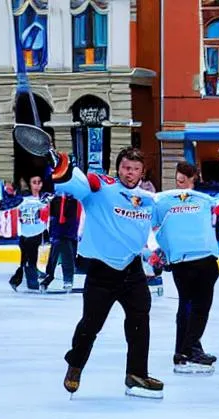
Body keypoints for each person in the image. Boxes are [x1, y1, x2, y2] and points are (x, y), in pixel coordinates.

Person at [51, 146, 164, 399]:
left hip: (132, 270)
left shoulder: (147, 199)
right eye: (125, 167)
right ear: (118, 168)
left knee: (139, 320)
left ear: (142, 172)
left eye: (135, 169)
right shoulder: (101, 188)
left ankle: (136, 374)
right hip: (102, 271)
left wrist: (158, 252)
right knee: (90, 325)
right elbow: (75, 181)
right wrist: (62, 165)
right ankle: (76, 365)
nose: (130, 173)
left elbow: (159, 228)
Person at [152, 161, 219, 374]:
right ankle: (190, 348)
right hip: (190, 261)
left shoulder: (202, 201)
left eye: (183, 180)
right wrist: (164, 250)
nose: (179, 184)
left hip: (196, 259)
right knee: (197, 307)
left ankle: (183, 349)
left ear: (193, 180)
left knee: (188, 305)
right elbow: (155, 227)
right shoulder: (167, 201)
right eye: (178, 180)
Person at [6, 175, 50, 291]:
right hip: (25, 234)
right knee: (27, 259)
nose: (37, 185)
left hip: (37, 232)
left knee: (29, 259)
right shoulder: (22, 199)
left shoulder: (44, 198)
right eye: (34, 182)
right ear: (30, 184)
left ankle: (19, 280)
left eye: (39, 182)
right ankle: (29, 281)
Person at [39, 193, 81, 293]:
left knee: (67, 252)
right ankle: (50, 278)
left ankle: (67, 280)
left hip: (70, 225)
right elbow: (43, 202)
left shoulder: (73, 195)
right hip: (56, 225)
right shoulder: (53, 193)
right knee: (56, 251)